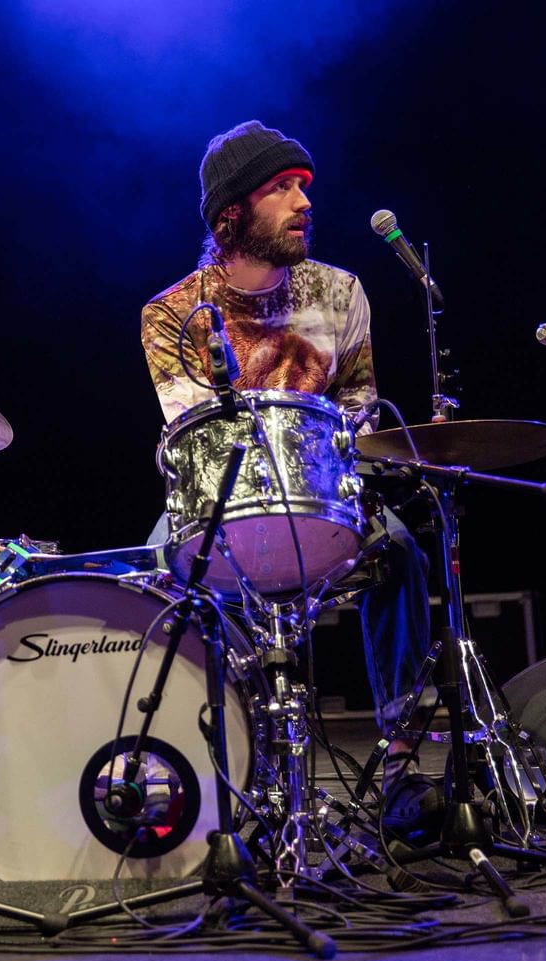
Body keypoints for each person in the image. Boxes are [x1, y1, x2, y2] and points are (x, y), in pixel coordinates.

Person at [139, 120, 439, 838]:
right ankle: (203, 768)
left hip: (324, 491)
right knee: (157, 572)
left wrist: (346, 451)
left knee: (401, 553)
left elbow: (361, 405)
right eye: (282, 189)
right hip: (221, 500)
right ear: (230, 215)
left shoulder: (340, 294)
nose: (304, 201)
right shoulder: (172, 314)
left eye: (305, 186)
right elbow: (196, 434)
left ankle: (398, 762)